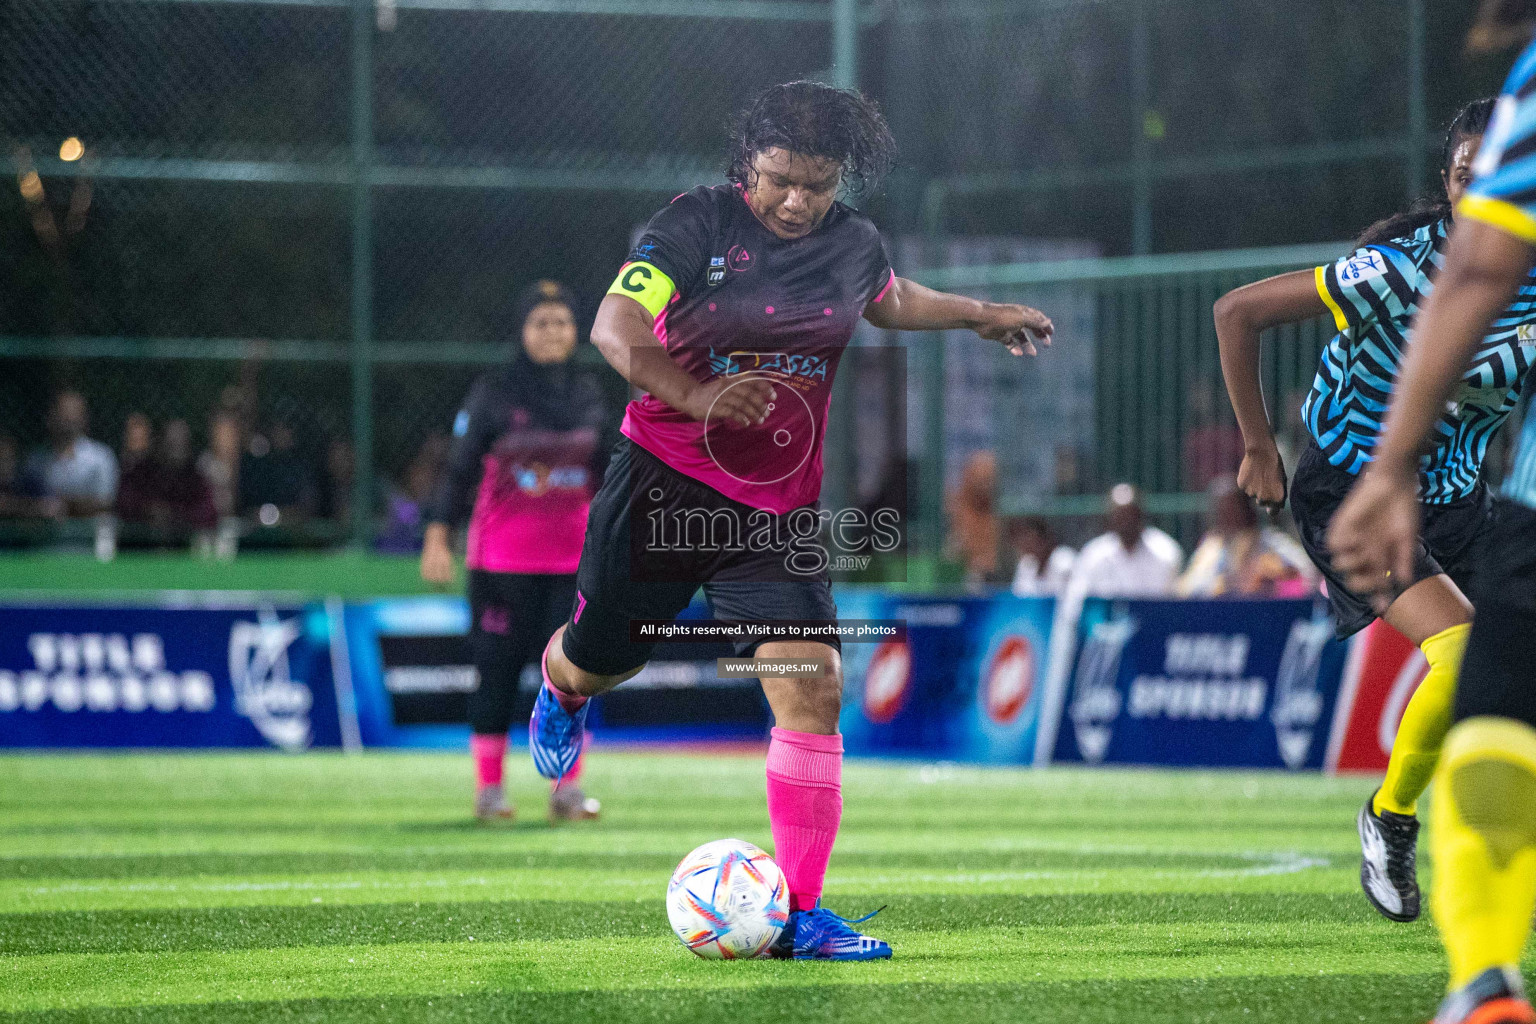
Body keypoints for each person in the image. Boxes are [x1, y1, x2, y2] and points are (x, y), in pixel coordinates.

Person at [527, 81, 1053, 961]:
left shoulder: (853, 242)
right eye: (780, 180)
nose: (799, 200)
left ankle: (800, 914)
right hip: (660, 483)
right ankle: (563, 691)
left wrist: (976, 315)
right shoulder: (694, 223)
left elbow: (885, 297)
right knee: (600, 659)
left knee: (812, 690)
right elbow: (615, 327)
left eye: (818, 182)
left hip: (775, 513)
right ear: (747, 167)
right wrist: (698, 396)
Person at [1214, 97, 1515, 926]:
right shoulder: (1395, 270)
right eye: (1463, 173)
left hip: (1456, 499)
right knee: (1461, 653)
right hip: (1353, 493)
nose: (1478, 186)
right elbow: (1236, 311)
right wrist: (1258, 446)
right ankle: (1390, 819)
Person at [1329, 8, 1536, 1020]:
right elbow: (1240, 309)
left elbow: (1480, 273)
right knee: (1478, 687)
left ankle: (1485, 972)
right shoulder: (1391, 267)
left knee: (1495, 714)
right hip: (1471, 500)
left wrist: (1394, 466)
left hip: (1487, 499)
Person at [421, 279, 611, 825]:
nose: (552, 333)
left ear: (577, 331)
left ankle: (566, 790)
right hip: (500, 565)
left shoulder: (591, 394)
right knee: (497, 675)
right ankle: (489, 790)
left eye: (562, 322)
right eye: (540, 323)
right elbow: (457, 473)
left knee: (574, 680)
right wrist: (438, 536)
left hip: (573, 566)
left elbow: (612, 476)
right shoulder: (494, 393)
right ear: (521, 331)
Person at [1174, 476, 1312, 598]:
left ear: (1247, 510)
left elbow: (1307, 574)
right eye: (1220, 511)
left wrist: (1271, 577)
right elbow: (1188, 589)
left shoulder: (1270, 542)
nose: (1225, 517)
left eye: (1231, 510)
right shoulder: (1211, 547)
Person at [1063, 484, 1183, 605]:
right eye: (1120, 516)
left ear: (1141, 515)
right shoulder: (1094, 555)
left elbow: (1172, 604)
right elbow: (1075, 602)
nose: (1126, 522)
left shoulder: (1166, 553)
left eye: (1130, 514)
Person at [116, 419, 218, 540]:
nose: (177, 447)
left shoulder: (194, 478)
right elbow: (124, 503)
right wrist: (148, 510)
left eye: (181, 442)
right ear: (161, 442)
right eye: (172, 443)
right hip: (141, 543)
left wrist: (175, 515)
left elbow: (208, 512)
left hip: (183, 545)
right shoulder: (142, 472)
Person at [21, 391, 117, 518]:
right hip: (46, 534)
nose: (68, 418)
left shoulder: (101, 457)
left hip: (91, 533)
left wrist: (62, 505)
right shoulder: (36, 460)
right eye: (63, 411)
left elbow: (105, 502)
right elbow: (23, 500)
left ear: (84, 418)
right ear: (51, 416)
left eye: (74, 412)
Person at [945, 450, 1001, 590]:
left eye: (989, 480)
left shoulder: (1002, 511)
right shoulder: (957, 509)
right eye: (981, 479)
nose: (986, 485)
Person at [1008, 515, 1074, 597]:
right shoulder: (1026, 563)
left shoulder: (1064, 559)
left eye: (1026, 535)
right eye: (1017, 537)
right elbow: (1020, 597)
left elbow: (1069, 599)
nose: (1021, 542)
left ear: (1041, 536)